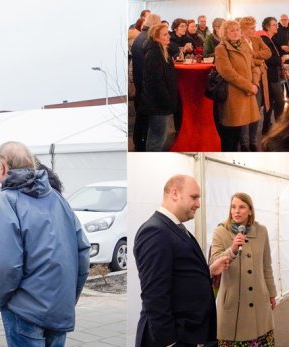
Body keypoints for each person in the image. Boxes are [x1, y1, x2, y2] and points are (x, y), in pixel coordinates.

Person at [0, 141, 90, 347]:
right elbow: (82, 253)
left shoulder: (4, 201)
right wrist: (69, 297)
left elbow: (3, 265)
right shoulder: (58, 199)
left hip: (25, 310)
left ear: (3, 167)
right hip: (59, 308)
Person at [134, 175, 217, 347]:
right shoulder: (155, 231)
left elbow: (180, 275)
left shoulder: (174, 227)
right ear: (174, 193)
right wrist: (169, 342)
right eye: (194, 197)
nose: (198, 204)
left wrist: (207, 272)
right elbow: (154, 294)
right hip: (174, 339)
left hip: (190, 335)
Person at [209, 193, 277, 346]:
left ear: (250, 210)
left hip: (259, 302)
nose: (236, 211)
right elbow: (214, 263)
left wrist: (272, 293)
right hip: (232, 306)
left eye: (241, 207)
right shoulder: (220, 232)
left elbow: (267, 266)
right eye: (233, 207)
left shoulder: (262, 231)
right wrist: (232, 249)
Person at [215, 20, 261, 151]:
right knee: (230, 135)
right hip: (233, 95)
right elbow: (228, 73)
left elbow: (254, 66)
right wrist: (249, 86)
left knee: (239, 131)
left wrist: (255, 84)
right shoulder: (221, 49)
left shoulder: (244, 45)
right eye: (232, 30)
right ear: (225, 33)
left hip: (248, 92)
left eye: (237, 29)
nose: (235, 33)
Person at [140, 23, 178, 151]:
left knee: (155, 136)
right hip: (158, 104)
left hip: (158, 102)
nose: (169, 37)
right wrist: (167, 99)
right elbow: (156, 81)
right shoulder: (155, 54)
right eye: (165, 34)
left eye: (168, 34)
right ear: (156, 37)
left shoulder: (161, 50)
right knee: (158, 138)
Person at [239, 16, 271, 152]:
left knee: (257, 112)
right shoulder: (238, 42)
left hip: (258, 81)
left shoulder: (257, 39)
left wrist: (254, 55)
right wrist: (258, 61)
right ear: (244, 30)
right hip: (246, 81)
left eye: (254, 27)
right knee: (245, 113)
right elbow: (244, 60)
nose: (255, 30)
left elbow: (268, 53)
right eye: (252, 28)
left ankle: (252, 141)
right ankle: (244, 142)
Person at [131, 13, 162, 151]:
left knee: (141, 119)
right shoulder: (147, 40)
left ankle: (139, 143)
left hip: (140, 85)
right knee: (146, 122)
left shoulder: (139, 38)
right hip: (146, 88)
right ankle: (141, 145)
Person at [260, 17, 289, 136]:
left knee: (271, 103)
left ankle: (267, 127)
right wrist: (282, 58)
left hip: (273, 74)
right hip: (270, 75)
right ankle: (279, 127)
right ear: (267, 27)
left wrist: (283, 54)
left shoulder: (271, 39)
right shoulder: (264, 39)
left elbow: (278, 52)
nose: (276, 26)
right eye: (273, 25)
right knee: (280, 102)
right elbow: (270, 58)